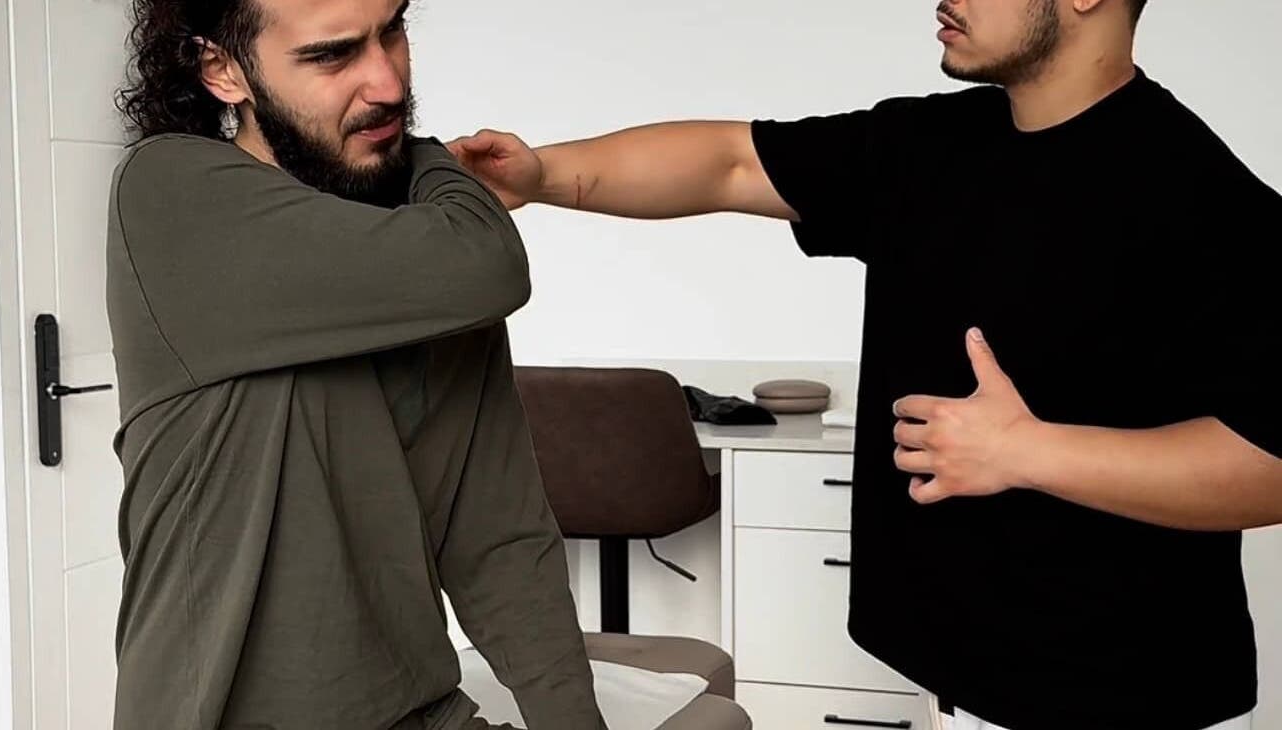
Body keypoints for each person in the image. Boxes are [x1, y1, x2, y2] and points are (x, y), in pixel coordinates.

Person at [447, 1, 1282, 728]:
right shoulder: (931, 145)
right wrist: (545, 173)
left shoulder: (1202, 196)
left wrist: (1025, 452)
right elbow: (729, 162)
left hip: (1129, 701)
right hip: (959, 685)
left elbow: (1271, 465)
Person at [106, 0, 607, 727]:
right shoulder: (171, 192)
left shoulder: (421, 256)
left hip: (423, 710)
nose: (387, 83)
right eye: (332, 54)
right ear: (222, 69)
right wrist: (431, 159)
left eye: (392, 30)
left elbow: (495, 529)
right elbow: (487, 261)